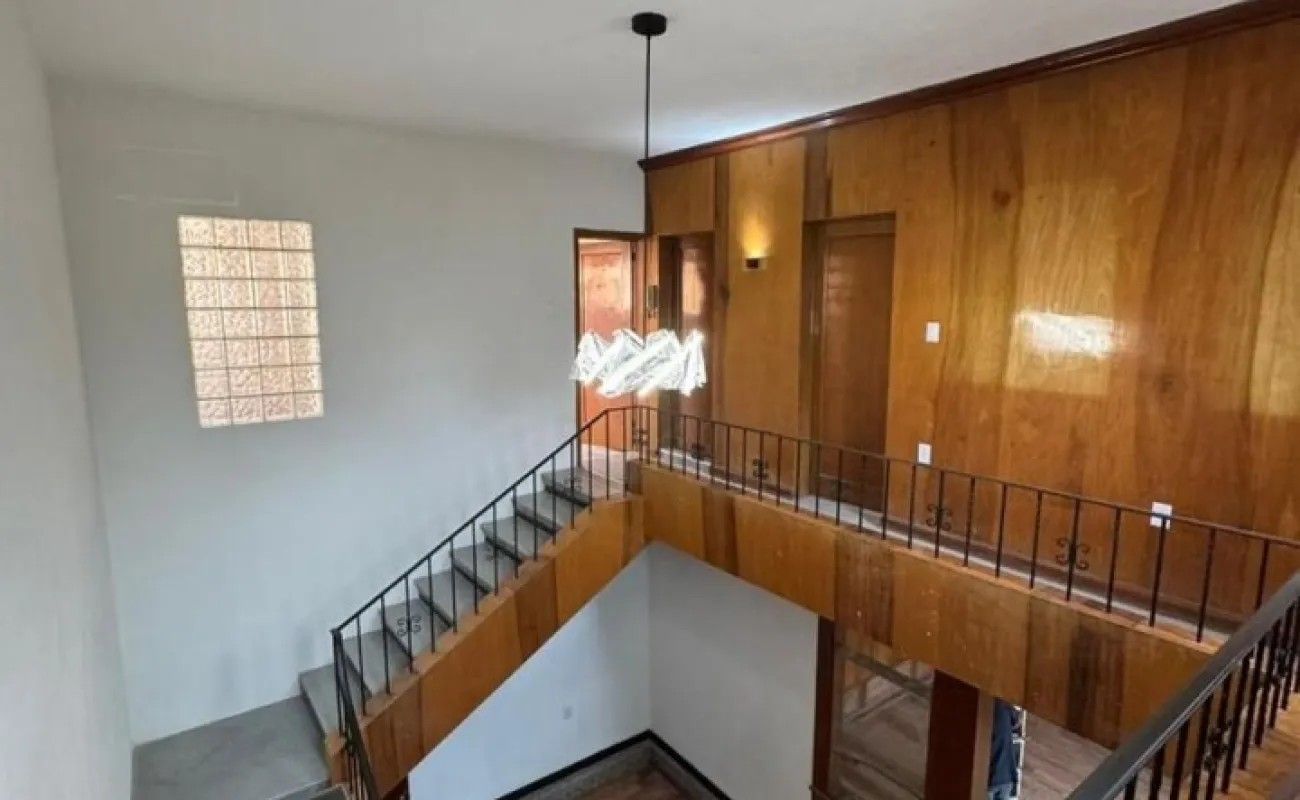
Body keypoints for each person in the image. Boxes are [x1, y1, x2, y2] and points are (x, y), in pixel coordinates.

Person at [988, 700, 1018, 800]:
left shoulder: (983, 706)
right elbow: (1017, 722)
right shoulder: (1004, 704)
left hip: (989, 778)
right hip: (1006, 776)